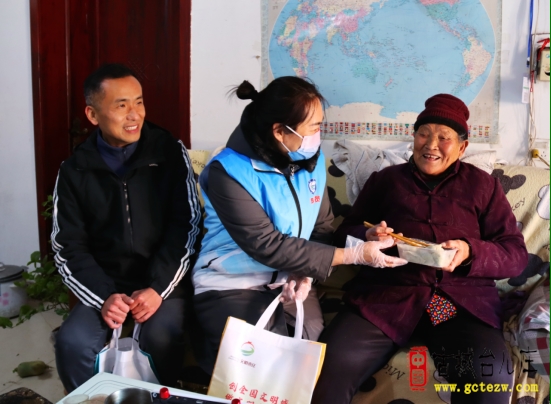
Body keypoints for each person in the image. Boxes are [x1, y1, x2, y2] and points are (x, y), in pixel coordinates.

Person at [312, 94, 529, 404]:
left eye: (444, 138)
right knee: (329, 366)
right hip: (387, 300)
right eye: (424, 133)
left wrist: (469, 252)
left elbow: (515, 255)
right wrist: (368, 234)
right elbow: (343, 235)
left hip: (452, 307)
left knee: (491, 375)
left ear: (462, 147)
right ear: (413, 137)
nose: (431, 145)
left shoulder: (483, 186)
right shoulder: (385, 181)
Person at [191, 77, 407, 375]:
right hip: (233, 283)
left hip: (289, 280)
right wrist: (355, 255)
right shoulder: (227, 172)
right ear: (280, 131)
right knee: (261, 368)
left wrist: (305, 272)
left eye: (321, 124)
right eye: (314, 128)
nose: (320, 135)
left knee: (311, 352)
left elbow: (321, 227)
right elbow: (267, 245)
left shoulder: (310, 160)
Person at [52, 63, 201, 392]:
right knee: (73, 343)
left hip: (161, 282)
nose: (135, 115)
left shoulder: (168, 153)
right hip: (105, 284)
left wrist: (158, 288)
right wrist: (105, 296)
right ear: (93, 115)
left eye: (139, 102)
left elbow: (187, 227)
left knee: (161, 337)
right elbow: (68, 247)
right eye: (121, 105)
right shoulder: (75, 170)